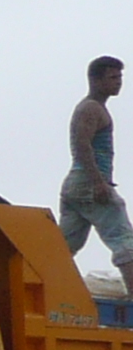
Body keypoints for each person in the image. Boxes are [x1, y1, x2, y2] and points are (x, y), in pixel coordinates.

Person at [65, 56, 132, 269]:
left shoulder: (93, 108)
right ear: (95, 80)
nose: (119, 82)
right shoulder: (91, 108)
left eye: (120, 77)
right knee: (125, 243)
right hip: (88, 182)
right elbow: (82, 145)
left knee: (63, 247)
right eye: (113, 77)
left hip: (76, 187)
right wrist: (98, 182)